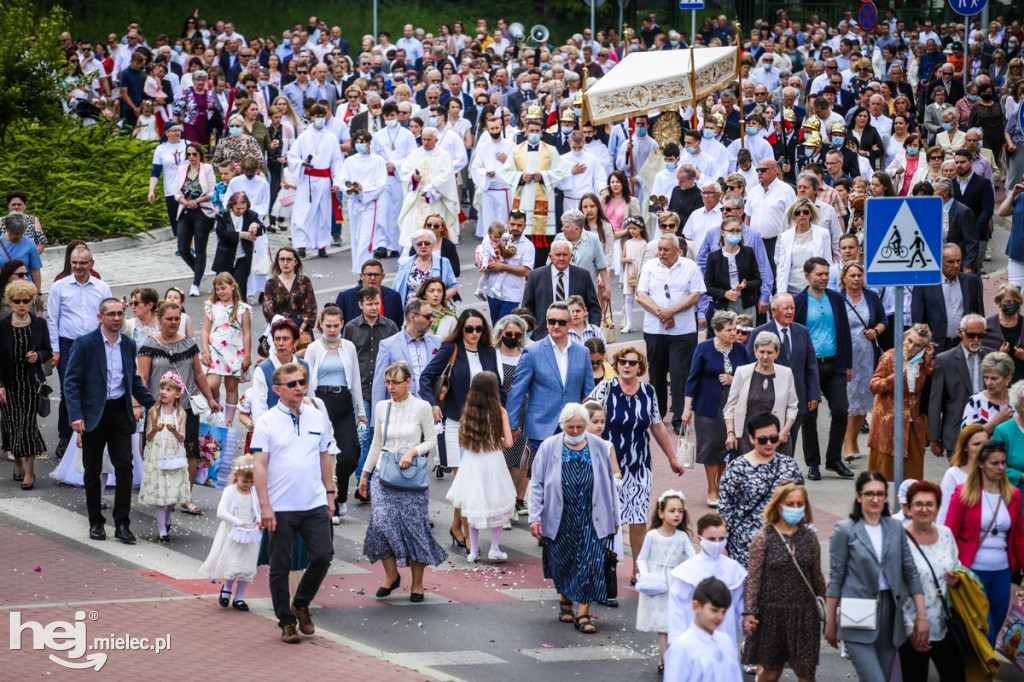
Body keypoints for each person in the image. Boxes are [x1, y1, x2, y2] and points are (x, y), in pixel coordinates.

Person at [252, 362, 335, 642]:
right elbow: (259, 466)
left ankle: (300, 603)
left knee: (323, 555)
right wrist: (265, 506)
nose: (299, 387)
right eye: (292, 384)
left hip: (314, 503)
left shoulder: (316, 416)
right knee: (280, 566)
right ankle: (286, 622)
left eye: (302, 382)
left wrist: (330, 492)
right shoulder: (266, 422)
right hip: (281, 506)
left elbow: (325, 456)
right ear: (277, 390)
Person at [63, 297, 155, 543]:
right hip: (93, 414)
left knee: (124, 468)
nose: (116, 318)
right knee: (92, 470)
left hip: (119, 413)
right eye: (111, 314)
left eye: (120, 314)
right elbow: (71, 382)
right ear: (100, 317)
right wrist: (76, 415)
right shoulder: (85, 344)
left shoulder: (127, 343)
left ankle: (123, 524)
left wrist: (152, 404)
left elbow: (132, 379)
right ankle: (96, 522)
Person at [589, 344, 682, 582]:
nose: (627, 366)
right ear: (617, 365)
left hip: (639, 464)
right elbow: (586, 414)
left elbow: (657, 425)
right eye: (622, 362)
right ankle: (604, 565)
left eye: (632, 362)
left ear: (640, 366)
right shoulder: (606, 388)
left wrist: (672, 458)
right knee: (610, 518)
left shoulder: (648, 392)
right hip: (609, 466)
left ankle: (637, 568)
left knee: (638, 518)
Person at [825, 471, 929, 681]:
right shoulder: (845, 530)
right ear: (858, 496)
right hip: (856, 614)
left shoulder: (895, 528)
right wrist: (830, 620)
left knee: (883, 675)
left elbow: (910, 572)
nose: (875, 499)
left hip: (890, 613)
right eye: (869, 493)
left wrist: (921, 616)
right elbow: (836, 578)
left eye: (880, 494)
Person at [358, 361, 447, 602]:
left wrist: (412, 452)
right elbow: (376, 442)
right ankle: (391, 575)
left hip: (411, 476)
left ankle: (417, 584)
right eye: (388, 382)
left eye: (396, 382)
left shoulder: (421, 407)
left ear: (409, 382)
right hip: (383, 472)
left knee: (414, 527)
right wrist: (365, 475)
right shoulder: (381, 406)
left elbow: (431, 440)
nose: (391, 387)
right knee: (380, 523)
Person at [529, 403, 619, 635]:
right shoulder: (550, 446)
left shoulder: (599, 446)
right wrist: (535, 517)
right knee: (564, 559)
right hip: (561, 515)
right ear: (562, 425)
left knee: (591, 561)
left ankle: (583, 613)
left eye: (580, 427)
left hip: (592, 514)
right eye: (571, 427)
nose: (576, 431)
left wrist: (614, 517)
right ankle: (566, 600)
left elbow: (609, 484)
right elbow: (537, 484)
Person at [138, 300, 221, 515]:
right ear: (159, 320)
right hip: (158, 407)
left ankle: (186, 497)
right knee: (157, 451)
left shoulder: (188, 343)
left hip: (185, 407)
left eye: (177, 318)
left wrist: (210, 399)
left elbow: (199, 373)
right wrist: (139, 404)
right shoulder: (149, 345)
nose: (174, 322)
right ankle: (161, 493)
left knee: (189, 450)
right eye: (169, 319)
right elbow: (143, 377)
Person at [742, 483, 826, 682]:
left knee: (806, 674)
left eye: (800, 504)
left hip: (804, 615)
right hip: (771, 615)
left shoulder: (810, 538)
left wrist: (828, 612)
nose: (795, 508)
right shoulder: (764, 537)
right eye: (790, 504)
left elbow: (817, 577)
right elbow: (753, 578)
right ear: (778, 505)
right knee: (770, 673)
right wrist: (749, 612)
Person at [945, 441, 1024, 645]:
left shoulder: (1013, 495)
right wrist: (948, 568)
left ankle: (978, 675)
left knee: (994, 630)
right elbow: (949, 534)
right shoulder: (963, 494)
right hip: (971, 573)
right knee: (982, 631)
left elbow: (1018, 537)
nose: (1000, 468)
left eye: (1003, 463)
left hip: (1002, 574)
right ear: (980, 464)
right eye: (994, 463)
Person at [636, 235, 705, 434]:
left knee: (679, 373)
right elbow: (642, 295)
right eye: (660, 249)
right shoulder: (650, 266)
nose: (661, 253)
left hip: (682, 330)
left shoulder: (690, 266)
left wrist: (672, 311)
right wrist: (662, 313)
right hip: (655, 329)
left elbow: (695, 295)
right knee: (656, 373)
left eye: (666, 250)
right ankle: (657, 415)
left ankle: (679, 419)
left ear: (678, 251)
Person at [795, 257, 855, 480]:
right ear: (807, 276)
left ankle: (834, 459)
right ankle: (813, 464)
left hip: (834, 364)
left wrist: (848, 364)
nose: (824, 278)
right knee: (809, 416)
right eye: (819, 274)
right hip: (809, 368)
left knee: (841, 410)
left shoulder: (836, 299)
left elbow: (844, 333)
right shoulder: (799, 301)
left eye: (826, 274)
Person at [445, 371, 516, 562]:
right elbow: (508, 442)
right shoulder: (500, 412)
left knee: (474, 503)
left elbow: (463, 442)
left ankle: (474, 550)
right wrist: (496, 439)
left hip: (472, 461)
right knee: (497, 502)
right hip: (493, 461)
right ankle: (494, 547)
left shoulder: (469, 411)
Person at [683, 311, 751, 507]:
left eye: (735, 329)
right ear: (716, 331)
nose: (734, 333)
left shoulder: (739, 349)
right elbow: (692, 379)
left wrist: (733, 379)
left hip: (733, 405)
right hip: (708, 404)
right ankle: (711, 486)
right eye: (729, 330)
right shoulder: (704, 348)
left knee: (726, 446)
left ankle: (721, 484)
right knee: (710, 446)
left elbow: (748, 374)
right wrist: (687, 409)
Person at [718, 413, 804, 567]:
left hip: (783, 546)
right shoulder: (736, 468)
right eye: (763, 440)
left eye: (774, 438)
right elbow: (725, 511)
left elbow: (800, 505)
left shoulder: (789, 465)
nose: (769, 443)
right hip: (745, 549)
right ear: (751, 438)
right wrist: (721, 546)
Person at [899, 480, 965, 682]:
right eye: (918, 504)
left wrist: (957, 579)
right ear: (908, 508)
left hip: (946, 624)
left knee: (955, 677)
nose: (924, 509)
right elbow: (894, 591)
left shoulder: (945, 534)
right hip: (914, 631)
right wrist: (910, 628)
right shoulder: (899, 540)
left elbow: (957, 565)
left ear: (937, 508)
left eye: (930, 504)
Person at [304, 305, 365, 521]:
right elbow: (309, 380)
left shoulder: (348, 347)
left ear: (342, 324)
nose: (331, 330)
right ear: (321, 324)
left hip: (344, 401)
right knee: (328, 452)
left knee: (351, 453)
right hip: (322, 401)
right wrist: (310, 406)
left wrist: (361, 410)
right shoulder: (313, 348)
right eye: (328, 326)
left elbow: (356, 379)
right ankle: (335, 504)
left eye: (336, 326)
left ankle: (340, 492)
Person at [748, 293, 819, 458]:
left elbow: (811, 365)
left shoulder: (803, 332)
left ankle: (785, 478)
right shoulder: (759, 333)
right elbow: (750, 367)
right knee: (767, 445)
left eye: (792, 308)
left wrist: (814, 393)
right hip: (767, 400)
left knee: (789, 444)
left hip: (796, 398)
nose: (790, 312)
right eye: (785, 308)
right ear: (773, 310)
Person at [0, 280, 52, 490]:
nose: (21, 305)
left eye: (26, 300)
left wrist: (38, 356)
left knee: (27, 425)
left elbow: (48, 350)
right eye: (17, 301)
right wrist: (1, 384)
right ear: (10, 302)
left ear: (31, 302)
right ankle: (18, 463)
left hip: (31, 383)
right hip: (10, 384)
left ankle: (30, 470)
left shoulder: (39, 324)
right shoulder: (2, 325)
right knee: (12, 425)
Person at [636, 490, 695, 672]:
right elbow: (641, 558)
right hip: (657, 583)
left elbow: (693, 558)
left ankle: (665, 657)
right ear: (661, 513)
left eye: (680, 511)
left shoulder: (682, 537)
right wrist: (646, 574)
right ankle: (667, 661)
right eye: (672, 510)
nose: (677, 514)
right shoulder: (652, 535)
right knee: (663, 625)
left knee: (672, 623)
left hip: (675, 585)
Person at [867, 324, 935, 482]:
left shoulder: (924, 363)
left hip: (913, 424)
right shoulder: (890, 356)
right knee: (881, 475)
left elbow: (931, 389)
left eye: (918, 345)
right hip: (888, 423)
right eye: (909, 341)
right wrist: (896, 375)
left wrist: (928, 362)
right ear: (904, 338)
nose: (911, 347)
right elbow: (874, 386)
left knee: (913, 476)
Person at [668, 513, 747, 646]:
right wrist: (676, 642)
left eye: (721, 539)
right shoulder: (687, 571)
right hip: (693, 642)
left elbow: (741, 607)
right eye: (711, 539)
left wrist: (748, 631)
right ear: (700, 539)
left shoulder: (733, 569)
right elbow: (677, 609)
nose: (717, 544)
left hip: (726, 639)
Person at [501, 114, 567, 267]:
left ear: (541, 133)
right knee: (522, 235)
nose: (534, 134)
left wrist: (543, 176)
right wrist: (521, 176)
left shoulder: (550, 150)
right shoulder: (516, 150)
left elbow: (560, 171)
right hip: (523, 197)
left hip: (542, 199)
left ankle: (539, 266)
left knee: (541, 241)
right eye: (532, 130)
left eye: (537, 131)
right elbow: (506, 172)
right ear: (526, 132)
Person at [198, 454, 262, 611]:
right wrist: (238, 522)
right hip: (234, 531)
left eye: (251, 482)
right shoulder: (230, 491)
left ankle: (239, 597)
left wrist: (259, 520)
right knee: (233, 562)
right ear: (236, 476)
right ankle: (227, 589)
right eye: (244, 481)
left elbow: (258, 509)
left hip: (250, 532)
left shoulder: (254, 492)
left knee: (247, 565)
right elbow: (221, 512)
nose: (248, 485)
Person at [928, 314, 995, 458]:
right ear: (960, 332)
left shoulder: (992, 356)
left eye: (980, 335)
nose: (976, 340)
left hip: (990, 433)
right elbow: (935, 402)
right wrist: (934, 438)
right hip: (956, 434)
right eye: (971, 335)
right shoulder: (944, 360)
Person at [725, 330, 799, 457]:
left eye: (770, 352)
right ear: (755, 351)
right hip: (747, 439)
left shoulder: (786, 373)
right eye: (762, 352)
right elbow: (730, 407)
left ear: (777, 353)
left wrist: (785, 432)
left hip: (777, 440)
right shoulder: (742, 372)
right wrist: (730, 433)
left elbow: (792, 406)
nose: (765, 356)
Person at [839, 262, 887, 461]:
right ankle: (847, 441)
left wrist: (875, 331)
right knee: (847, 399)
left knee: (863, 398)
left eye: (859, 275)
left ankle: (852, 438)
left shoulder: (871, 297)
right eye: (852, 275)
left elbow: (884, 321)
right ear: (844, 278)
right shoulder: (837, 298)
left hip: (866, 353)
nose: (856, 279)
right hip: (845, 353)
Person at [286, 103, 345, 259]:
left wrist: (337, 181)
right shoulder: (304, 136)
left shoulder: (331, 138)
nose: (319, 119)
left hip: (325, 180)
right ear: (311, 117)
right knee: (302, 213)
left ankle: (322, 245)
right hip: (308, 179)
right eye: (316, 116)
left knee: (324, 214)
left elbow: (337, 161)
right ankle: (301, 244)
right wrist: (301, 163)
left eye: (322, 116)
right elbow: (292, 156)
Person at [138, 372, 190, 542]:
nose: (164, 392)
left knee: (171, 493)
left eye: (168, 389)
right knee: (160, 492)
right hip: (157, 454)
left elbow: (182, 437)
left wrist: (174, 430)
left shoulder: (181, 414)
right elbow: (148, 437)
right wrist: (156, 430)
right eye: (162, 388)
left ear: (177, 394)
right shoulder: (154, 411)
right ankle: (162, 530)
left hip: (174, 453)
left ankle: (168, 516)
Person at [663, 577, 744, 682]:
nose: (719, 616)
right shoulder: (683, 646)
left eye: (723, 612)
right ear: (696, 606)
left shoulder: (725, 641)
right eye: (714, 610)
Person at [370, 298, 443, 415]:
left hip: (432, 410)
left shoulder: (437, 342)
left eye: (432, 315)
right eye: (428, 316)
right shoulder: (388, 345)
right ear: (413, 317)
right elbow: (379, 384)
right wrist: (376, 421)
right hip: (402, 413)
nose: (432, 319)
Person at [520, 239, 600, 340]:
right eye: (558, 255)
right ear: (550, 256)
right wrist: (531, 336)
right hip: (543, 336)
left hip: (575, 336)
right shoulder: (536, 276)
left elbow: (594, 307)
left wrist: (593, 331)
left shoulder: (583, 275)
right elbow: (527, 309)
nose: (561, 258)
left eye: (565, 255)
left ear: (571, 256)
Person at [200, 273, 251, 428]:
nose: (221, 292)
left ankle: (228, 420)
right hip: (215, 350)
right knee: (211, 384)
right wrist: (205, 350)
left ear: (233, 286)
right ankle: (216, 405)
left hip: (235, 352)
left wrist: (247, 355)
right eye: (218, 289)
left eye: (224, 288)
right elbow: (205, 330)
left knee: (231, 386)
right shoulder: (212, 306)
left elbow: (247, 332)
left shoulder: (243, 309)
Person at [398, 127, 460, 248]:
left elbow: (446, 176)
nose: (425, 142)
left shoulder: (444, 156)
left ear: (436, 140)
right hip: (418, 199)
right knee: (413, 227)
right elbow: (405, 172)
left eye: (428, 139)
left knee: (436, 229)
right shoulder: (414, 155)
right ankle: (412, 253)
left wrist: (430, 189)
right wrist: (413, 177)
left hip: (436, 199)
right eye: (423, 139)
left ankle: (438, 252)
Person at [338, 130, 389, 274]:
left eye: (363, 141)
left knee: (366, 238)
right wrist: (352, 190)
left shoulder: (378, 160)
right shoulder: (350, 161)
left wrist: (364, 188)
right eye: (357, 142)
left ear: (369, 143)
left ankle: (364, 269)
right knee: (356, 236)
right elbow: (342, 180)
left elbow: (381, 183)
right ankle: (359, 268)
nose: (360, 144)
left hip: (370, 203)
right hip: (355, 203)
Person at [174, 142, 217, 296]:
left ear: (200, 155)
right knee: (183, 249)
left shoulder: (207, 169)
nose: (191, 157)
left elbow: (213, 191)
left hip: (202, 211)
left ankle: (196, 283)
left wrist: (197, 201)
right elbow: (176, 193)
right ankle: (198, 271)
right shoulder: (181, 170)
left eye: (194, 154)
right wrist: (185, 202)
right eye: (189, 154)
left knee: (200, 248)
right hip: (186, 210)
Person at [704, 216, 761, 321]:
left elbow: (758, 280)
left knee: (746, 334)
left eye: (738, 231)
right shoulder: (714, 257)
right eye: (731, 231)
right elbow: (708, 286)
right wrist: (724, 293)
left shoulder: (748, 253)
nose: (735, 234)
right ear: (722, 233)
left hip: (746, 304)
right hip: (724, 305)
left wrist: (746, 285)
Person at [211, 191, 264, 300]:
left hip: (243, 256)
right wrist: (241, 235)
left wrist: (256, 226)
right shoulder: (223, 215)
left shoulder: (251, 215)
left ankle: (241, 309)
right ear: (231, 206)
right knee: (223, 286)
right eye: (237, 209)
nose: (241, 211)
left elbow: (262, 229)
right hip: (226, 256)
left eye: (243, 208)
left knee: (240, 286)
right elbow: (221, 233)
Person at [262, 247, 318, 350]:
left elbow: (312, 308)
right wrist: (283, 329)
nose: (285, 263)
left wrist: (300, 329)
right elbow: (268, 310)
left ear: (295, 262)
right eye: (282, 259)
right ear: (278, 261)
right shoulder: (271, 283)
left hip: (302, 331)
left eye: (289, 259)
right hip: (280, 331)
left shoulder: (304, 281)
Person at [774, 198, 832, 295]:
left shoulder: (823, 234)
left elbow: (827, 262)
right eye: (797, 213)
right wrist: (781, 294)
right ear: (793, 216)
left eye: (805, 212)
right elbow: (782, 267)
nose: (801, 215)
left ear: (811, 214)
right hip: (791, 289)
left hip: (814, 288)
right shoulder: (785, 236)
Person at [938, 423, 988, 525]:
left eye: (985, 444)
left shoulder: (995, 472)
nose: (981, 448)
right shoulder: (953, 475)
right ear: (965, 447)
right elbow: (944, 514)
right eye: (976, 444)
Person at [147, 122, 189, 240]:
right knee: (176, 218)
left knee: (189, 218)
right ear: (167, 133)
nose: (177, 133)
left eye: (179, 130)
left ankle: (191, 244)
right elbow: (156, 171)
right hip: (171, 189)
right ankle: (181, 244)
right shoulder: (161, 149)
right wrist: (151, 190)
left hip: (188, 186)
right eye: (174, 130)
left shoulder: (187, 144)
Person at [395, 228, 458, 304]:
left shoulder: (443, 262)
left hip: (435, 311)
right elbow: (396, 288)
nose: (423, 246)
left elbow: (453, 287)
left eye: (427, 243)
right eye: (419, 244)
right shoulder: (405, 263)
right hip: (410, 311)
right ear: (414, 246)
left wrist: (438, 299)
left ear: (433, 245)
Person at [335, 260, 404, 328]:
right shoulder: (346, 297)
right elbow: (338, 324)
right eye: (369, 275)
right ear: (361, 276)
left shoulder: (394, 296)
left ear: (383, 276)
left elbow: (398, 324)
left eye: (376, 275)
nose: (372, 278)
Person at [961, 352, 1015, 433]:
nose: (988, 383)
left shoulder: (1019, 401)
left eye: (994, 378)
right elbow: (966, 437)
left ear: (1007, 379)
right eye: (986, 377)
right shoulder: (976, 402)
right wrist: (994, 422)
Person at [984, 284, 1024, 381]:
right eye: (1007, 302)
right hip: (997, 381)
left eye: (1015, 301)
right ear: (999, 302)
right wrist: (998, 355)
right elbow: (980, 357)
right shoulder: (987, 325)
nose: (1012, 304)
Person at [619, 217, 648, 333]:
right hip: (629, 273)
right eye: (630, 228)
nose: (631, 231)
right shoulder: (627, 243)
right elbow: (622, 258)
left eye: (634, 228)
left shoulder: (644, 243)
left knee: (643, 297)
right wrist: (626, 259)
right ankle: (629, 323)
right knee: (628, 298)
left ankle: (647, 322)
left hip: (640, 273)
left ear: (641, 228)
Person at [0, 215, 42, 295]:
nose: (19, 236)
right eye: (16, 233)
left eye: (22, 233)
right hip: (4, 291)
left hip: (26, 290)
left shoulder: (29, 243)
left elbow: (35, 270)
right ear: (8, 229)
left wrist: (38, 292)